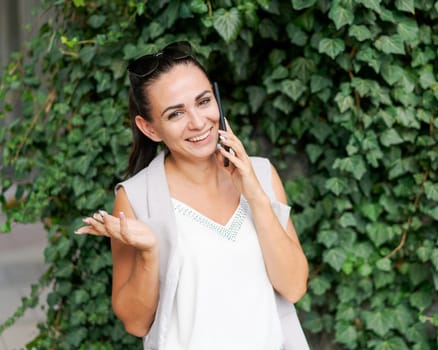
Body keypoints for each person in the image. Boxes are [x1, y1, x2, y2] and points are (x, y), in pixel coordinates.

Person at [75, 41, 310, 349]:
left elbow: (293, 288)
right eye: (175, 114)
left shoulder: (262, 175)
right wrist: (149, 252)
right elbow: (135, 323)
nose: (198, 123)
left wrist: (255, 196)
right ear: (150, 128)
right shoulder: (135, 198)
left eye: (204, 101)